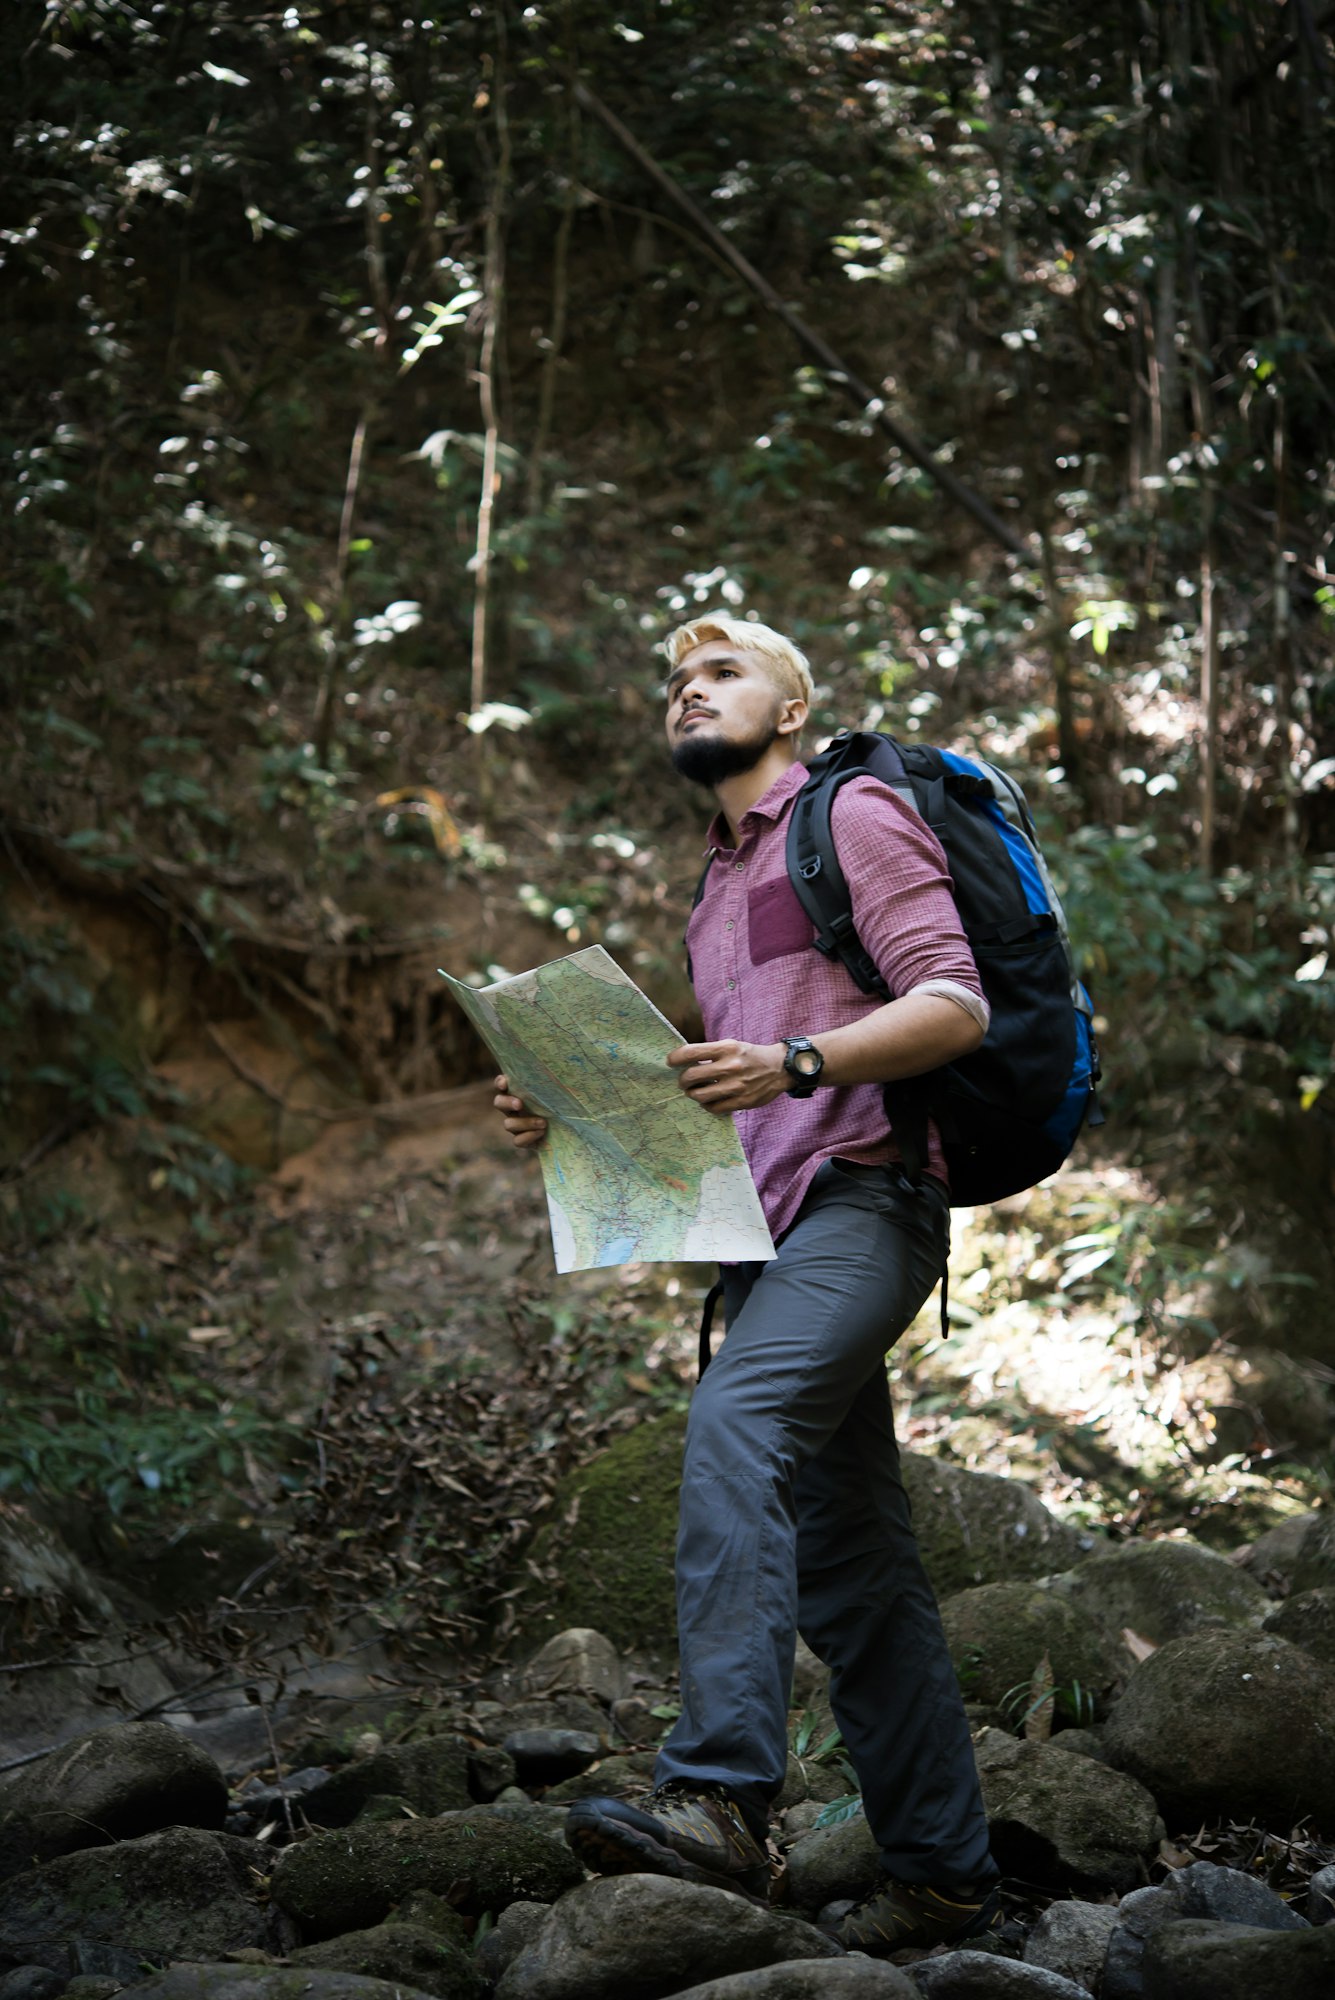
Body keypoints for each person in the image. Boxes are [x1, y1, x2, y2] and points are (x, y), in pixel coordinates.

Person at [493, 614, 1001, 1953]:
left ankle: (719, 1798)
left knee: (737, 1428)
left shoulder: (853, 817)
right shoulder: (715, 885)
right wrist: (572, 1112)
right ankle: (947, 1869)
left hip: (870, 1203)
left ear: (788, 708)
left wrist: (802, 1062)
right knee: (853, 1565)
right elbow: (729, 1104)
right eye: (671, 681)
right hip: (772, 1233)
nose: (686, 694)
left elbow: (954, 1004)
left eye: (718, 673)